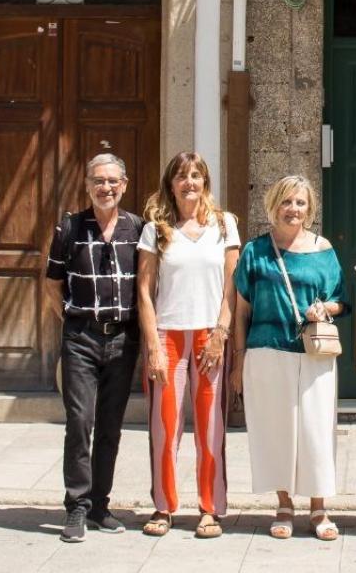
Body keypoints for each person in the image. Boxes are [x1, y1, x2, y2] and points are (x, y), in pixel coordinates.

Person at [231, 175, 350, 541]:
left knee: (316, 430)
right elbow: (240, 311)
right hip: (266, 350)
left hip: (313, 354)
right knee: (276, 431)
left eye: (300, 203)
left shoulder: (323, 248)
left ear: (309, 208)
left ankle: (319, 507)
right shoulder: (255, 251)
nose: (293, 209)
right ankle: (284, 504)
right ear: (273, 206)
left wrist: (322, 307)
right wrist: (238, 360)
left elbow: (341, 300)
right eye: (286, 202)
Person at [135, 152, 238, 538]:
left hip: (209, 336)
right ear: (171, 184)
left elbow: (232, 286)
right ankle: (164, 507)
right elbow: (144, 292)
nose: (189, 182)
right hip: (168, 335)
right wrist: (153, 346)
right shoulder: (155, 229)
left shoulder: (224, 225)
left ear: (205, 182)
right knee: (165, 427)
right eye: (181, 176)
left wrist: (220, 334)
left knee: (211, 427)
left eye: (196, 176)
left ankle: (210, 509)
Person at [44, 152, 143, 543]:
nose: (106, 188)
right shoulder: (69, 228)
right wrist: (69, 322)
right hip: (81, 337)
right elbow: (52, 283)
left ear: (124, 185)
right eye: (98, 181)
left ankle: (100, 505)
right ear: (87, 185)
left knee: (110, 425)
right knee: (79, 421)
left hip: (122, 338)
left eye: (113, 181)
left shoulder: (137, 228)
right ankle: (77, 507)